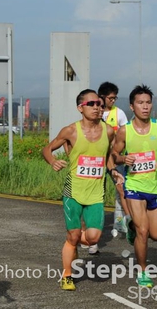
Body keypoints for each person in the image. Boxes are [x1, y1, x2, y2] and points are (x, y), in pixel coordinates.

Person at [42, 89, 117, 291]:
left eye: (99, 104)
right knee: (73, 237)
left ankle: (74, 238)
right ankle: (67, 276)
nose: (97, 107)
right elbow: (47, 149)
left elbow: (108, 156)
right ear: (80, 108)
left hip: (96, 194)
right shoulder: (71, 131)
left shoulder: (109, 131)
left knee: (93, 238)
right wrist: (53, 161)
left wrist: (113, 171)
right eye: (91, 104)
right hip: (73, 192)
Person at [110, 84, 157, 287]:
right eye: (140, 103)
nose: (145, 106)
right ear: (132, 106)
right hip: (134, 186)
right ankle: (143, 271)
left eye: (148, 102)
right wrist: (123, 160)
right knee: (143, 231)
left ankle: (130, 225)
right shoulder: (125, 131)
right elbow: (113, 155)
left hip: (155, 187)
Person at [98, 82, 131, 240]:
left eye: (115, 98)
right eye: (110, 98)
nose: (113, 100)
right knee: (98, 193)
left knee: (121, 188)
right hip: (98, 158)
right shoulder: (94, 112)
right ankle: (94, 226)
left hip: (114, 158)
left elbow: (126, 134)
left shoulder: (119, 113)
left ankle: (129, 220)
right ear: (102, 97)